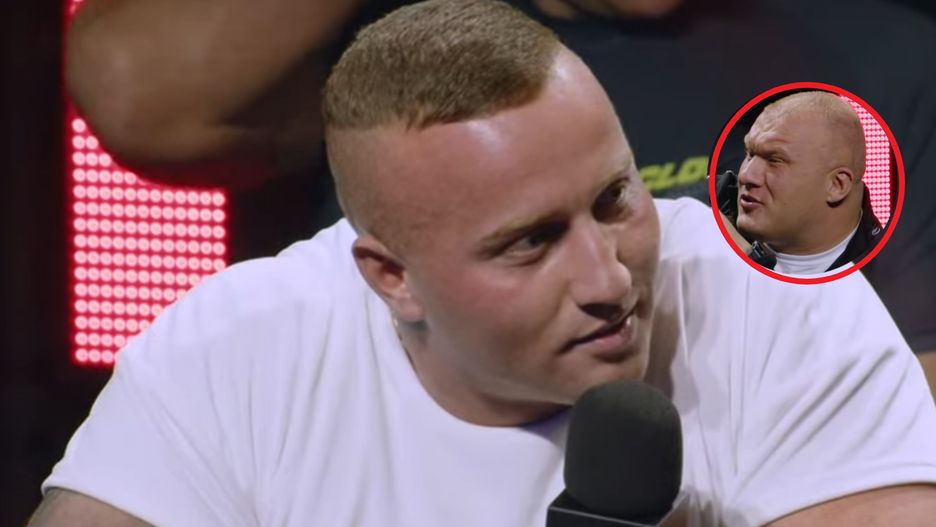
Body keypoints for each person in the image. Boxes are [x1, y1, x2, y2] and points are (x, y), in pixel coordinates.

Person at [31, 2, 936, 526]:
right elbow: (138, 89)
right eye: (531, 241)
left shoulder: (783, 308)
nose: (608, 280)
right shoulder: (231, 349)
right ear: (389, 276)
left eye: (613, 200)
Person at [728, 91, 883, 275]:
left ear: (836, 186)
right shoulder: (708, 207)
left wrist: (748, 258)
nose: (746, 176)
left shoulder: (886, 281)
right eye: (750, 154)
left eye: (775, 161)